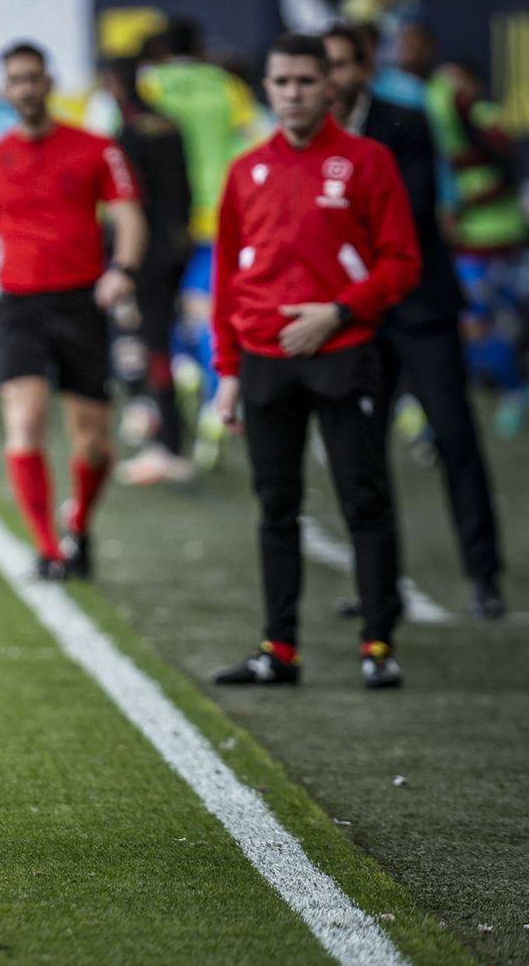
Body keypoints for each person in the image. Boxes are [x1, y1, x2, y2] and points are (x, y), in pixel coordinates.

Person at [209, 34, 420, 690]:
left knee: (365, 499)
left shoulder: (368, 161)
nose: (294, 92)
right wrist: (228, 370)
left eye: (306, 80)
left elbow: (402, 261)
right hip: (266, 361)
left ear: (331, 86)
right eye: (283, 82)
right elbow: (225, 278)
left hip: (345, 354)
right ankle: (280, 649)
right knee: (276, 507)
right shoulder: (245, 171)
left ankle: (378, 644)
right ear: (267, 89)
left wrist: (340, 312)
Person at [323, 26, 505, 620]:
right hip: (359, 317)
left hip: (420, 309)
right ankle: (380, 586)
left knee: (456, 440)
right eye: (325, 67)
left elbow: (409, 204)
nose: (335, 79)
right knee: (363, 456)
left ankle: (484, 576)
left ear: (367, 65)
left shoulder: (406, 118)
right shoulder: (311, 139)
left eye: (345, 65)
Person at [0, 42, 148, 581]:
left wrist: (123, 270)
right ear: (5, 90)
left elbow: (129, 216)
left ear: (49, 83)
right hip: (16, 304)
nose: (26, 88)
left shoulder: (96, 148)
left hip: (83, 301)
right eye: (15, 79)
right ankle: (48, 548)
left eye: (33, 78)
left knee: (92, 443)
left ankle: (79, 524)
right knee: (27, 419)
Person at [139, 18, 271, 468]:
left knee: (158, 310)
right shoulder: (226, 85)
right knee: (210, 306)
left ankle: (179, 365)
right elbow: (257, 139)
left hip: (161, 218)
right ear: (200, 47)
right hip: (218, 214)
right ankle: (213, 388)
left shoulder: (150, 85)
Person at [100, 56, 196, 486]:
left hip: (145, 253)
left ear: (113, 84)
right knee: (156, 338)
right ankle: (163, 430)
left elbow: (127, 203)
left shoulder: (128, 132)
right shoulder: (170, 124)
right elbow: (185, 189)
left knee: (149, 341)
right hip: (176, 246)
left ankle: (170, 445)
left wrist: (118, 257)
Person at [428, 58, 529, 438]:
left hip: (503, 240)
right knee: (473, 323)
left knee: (503, 323)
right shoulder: (439, 120)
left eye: (458, 83)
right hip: (468, 246)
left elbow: (504, 172)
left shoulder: (485, 118)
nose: (451, 91)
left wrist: (463, 206)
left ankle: (514, 392)